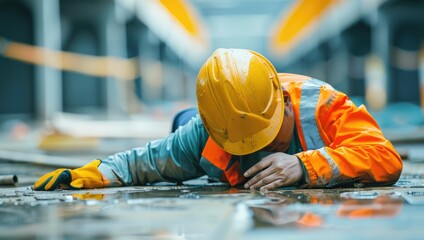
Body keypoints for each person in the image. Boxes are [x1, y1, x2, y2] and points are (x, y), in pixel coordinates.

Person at [34, 48, 403, 191]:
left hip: (308, 156)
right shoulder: (203, 132)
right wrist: (87, 174)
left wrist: (305, 165)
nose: (258, 152)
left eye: (268, 138)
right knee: (181, 130)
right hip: (190, 123)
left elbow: (385, 157)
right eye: (247, 145)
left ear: (284, 103)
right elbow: (142, 164)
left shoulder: (323, 106)